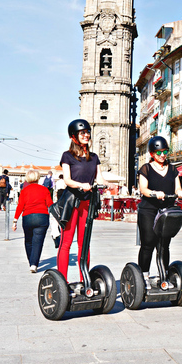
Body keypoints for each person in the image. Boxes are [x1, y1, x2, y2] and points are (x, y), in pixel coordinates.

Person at [59, 119, 106, 283]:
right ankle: (62, 281)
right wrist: (82, 185)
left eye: (87, 132)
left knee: (84, 244)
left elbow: (99, 177)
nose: (86, 135)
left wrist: (107, 184)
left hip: (87, 203)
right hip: (71, 202)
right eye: (82, 133)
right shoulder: (67, 156)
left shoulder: (94, 158)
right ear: (74, 137)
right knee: (66, 243)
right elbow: (67, 180)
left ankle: (83, 279)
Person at [136, 136, 182, 285]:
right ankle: (144, 275)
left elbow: (177, 187)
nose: (162, 155)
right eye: (159, 153)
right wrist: (154, 193)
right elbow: (143, 189)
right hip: (148, 209)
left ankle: (164, 275)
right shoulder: (146, 168)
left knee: (164, 244)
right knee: (148, 242)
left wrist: (180, 192)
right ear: (152, 154)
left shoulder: (172, 169)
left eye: (165, 151)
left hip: (167, 210)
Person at [12, 169, 54, 272]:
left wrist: (15, 220)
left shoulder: (24, 191)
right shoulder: (45, 190)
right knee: (38, 242)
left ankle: (31, 261)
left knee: (28, 241)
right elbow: (50, 204)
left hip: (28, 218)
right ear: (38, 178)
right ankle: (34, 264)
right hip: (42, 217)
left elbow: (20, 206)